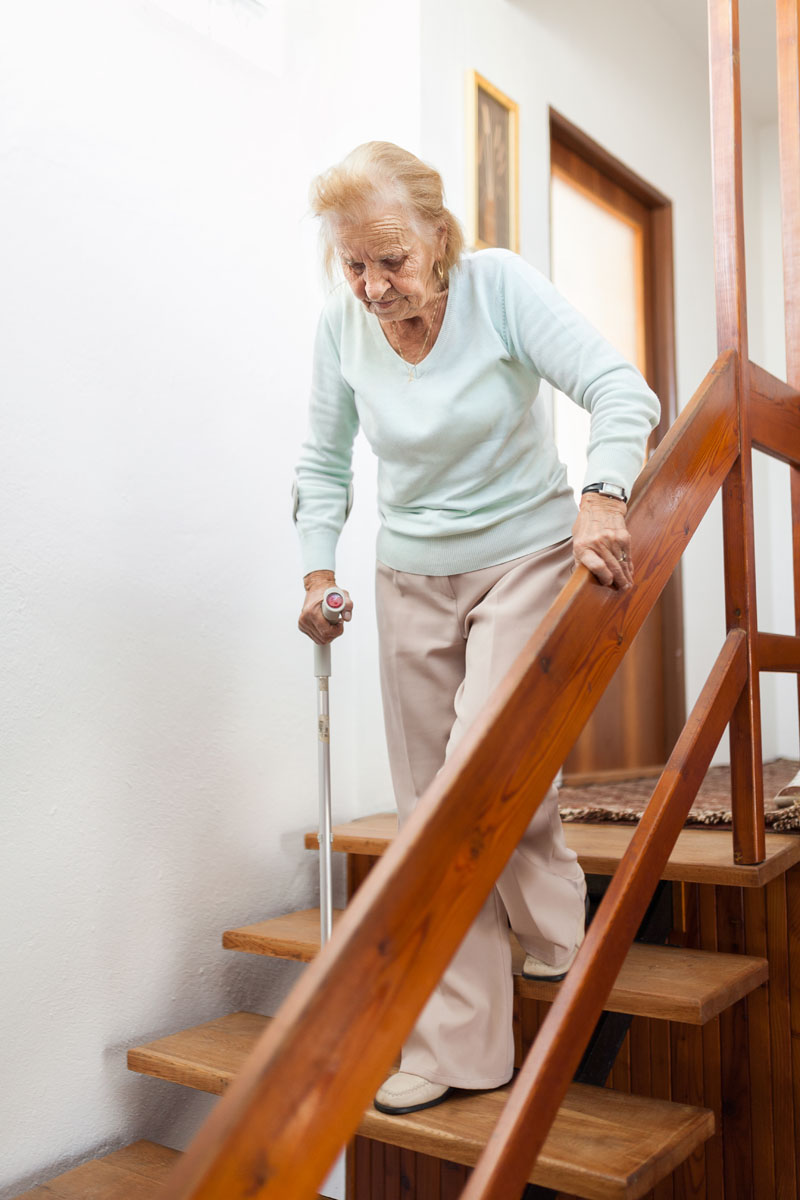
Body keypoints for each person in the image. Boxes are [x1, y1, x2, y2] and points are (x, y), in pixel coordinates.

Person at [293, 142, 660, 1116]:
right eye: (354, 265)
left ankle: (521, 962)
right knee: (429, 814)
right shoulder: (341, 327)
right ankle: (491, 1009)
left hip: (525, 556)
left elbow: (621, 389)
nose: (374, 286)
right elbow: (323, 462)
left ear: (437, 238)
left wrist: (602, 492)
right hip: (408, 573)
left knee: (481, 774)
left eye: (392, 261)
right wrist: (318, 567)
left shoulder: (496, 289)